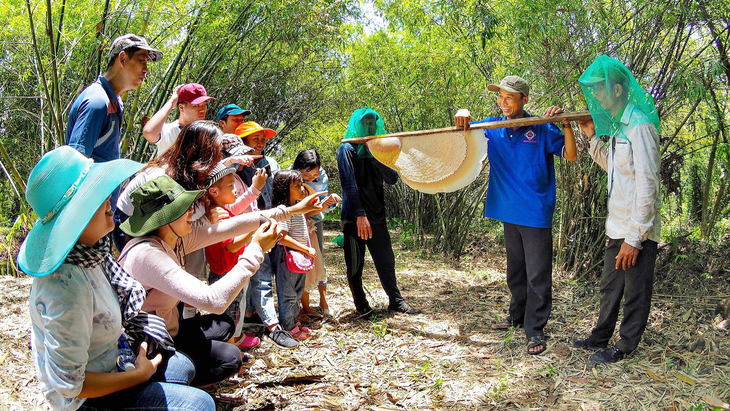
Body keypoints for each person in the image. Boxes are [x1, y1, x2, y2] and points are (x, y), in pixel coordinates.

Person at [18, 146, 214, 411]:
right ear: (74, 218)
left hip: (113, 360)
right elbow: (70, 385)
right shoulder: (66, 289)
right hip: (88, 401)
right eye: (93, 199)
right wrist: (137, 376)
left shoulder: (93, 256)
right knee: (200, 405)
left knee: (183, 366)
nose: (108, 201)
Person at [118, 175, 325, 385]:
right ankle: (165, 380)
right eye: (183, 207)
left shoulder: (174, 239)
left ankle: (184, 360)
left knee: (225, 325)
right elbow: (214, 301)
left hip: (170, 331)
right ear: (165, 217)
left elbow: (232, 226)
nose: (191, 210)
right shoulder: (147, 254)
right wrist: (256, 249)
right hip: (148, 347)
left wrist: (292, 210)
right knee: (230, 358)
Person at [454, 75, 577, 355]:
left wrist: (566, 123)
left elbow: (570, 155)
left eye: (510, 97)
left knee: (537, 275)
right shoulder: (494, 128)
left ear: (524, 100)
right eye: (500, 97)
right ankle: (516, 316)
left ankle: (535, 329)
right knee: (516, 271)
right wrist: (462, 115)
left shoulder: (540, 127)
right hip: (509, 210)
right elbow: (464, 131)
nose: (504, 102)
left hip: (535, 212)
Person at [573, 56, 661, 363]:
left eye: (601, 88)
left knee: (635, 292)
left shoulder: (640, 125)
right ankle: (599, 336)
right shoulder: (618, 126)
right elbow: (614, 168)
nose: (596, 95)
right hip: (617, 225)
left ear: (619, 90)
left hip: (637, 229)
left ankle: (625, 346)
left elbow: (648, 184)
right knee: (610, 287)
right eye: (594, 89)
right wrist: (590, 136)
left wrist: (635, 238)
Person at [337, 107, 421, 317]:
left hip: (377, 216)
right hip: (355, 218)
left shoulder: (380, 150)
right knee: (355, 263)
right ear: (357, 124)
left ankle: (396, 300)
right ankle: (362, 305)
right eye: (365, 123)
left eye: (372, 123)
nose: (369, 126)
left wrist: (376, 154)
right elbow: (349, 185)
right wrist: (360, 214)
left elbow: (392, 178)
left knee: (386, 259)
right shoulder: (347, 150)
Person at [66, 34, 163, 164]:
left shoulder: (115, 102)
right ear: (122, 59)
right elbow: (74, 163)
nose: (146, 70)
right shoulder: (97, 102)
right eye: (142, 60)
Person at [204, 161, 268, 349]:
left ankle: (229, 348)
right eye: (231, 186)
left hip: (222, 272)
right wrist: (252, 232)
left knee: (228, 313)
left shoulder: (222, 211)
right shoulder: (220, 215)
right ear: (214, 191)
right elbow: (231, 246)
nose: (236, 190)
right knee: (230, 315)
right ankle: (232, 352)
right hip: (227, 273)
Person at [291, 149, 340, 319]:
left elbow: (321, 205)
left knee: (319, 258)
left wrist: (329, 202)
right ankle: (300, 305)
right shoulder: (289, 177)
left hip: (314, 221)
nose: (312, 178)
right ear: (298, 169)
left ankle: (323, 301)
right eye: (307, 174)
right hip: (294, 222)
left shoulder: (323, 177)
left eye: (315, 174)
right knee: (298, 262)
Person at [142, 83, 215, 158]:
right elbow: (149, 132)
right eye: (197, 105)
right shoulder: (168, 131)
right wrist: (171, 102)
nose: (202, 110)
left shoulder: (207, 135)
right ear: (181, 107)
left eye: (204, 105)